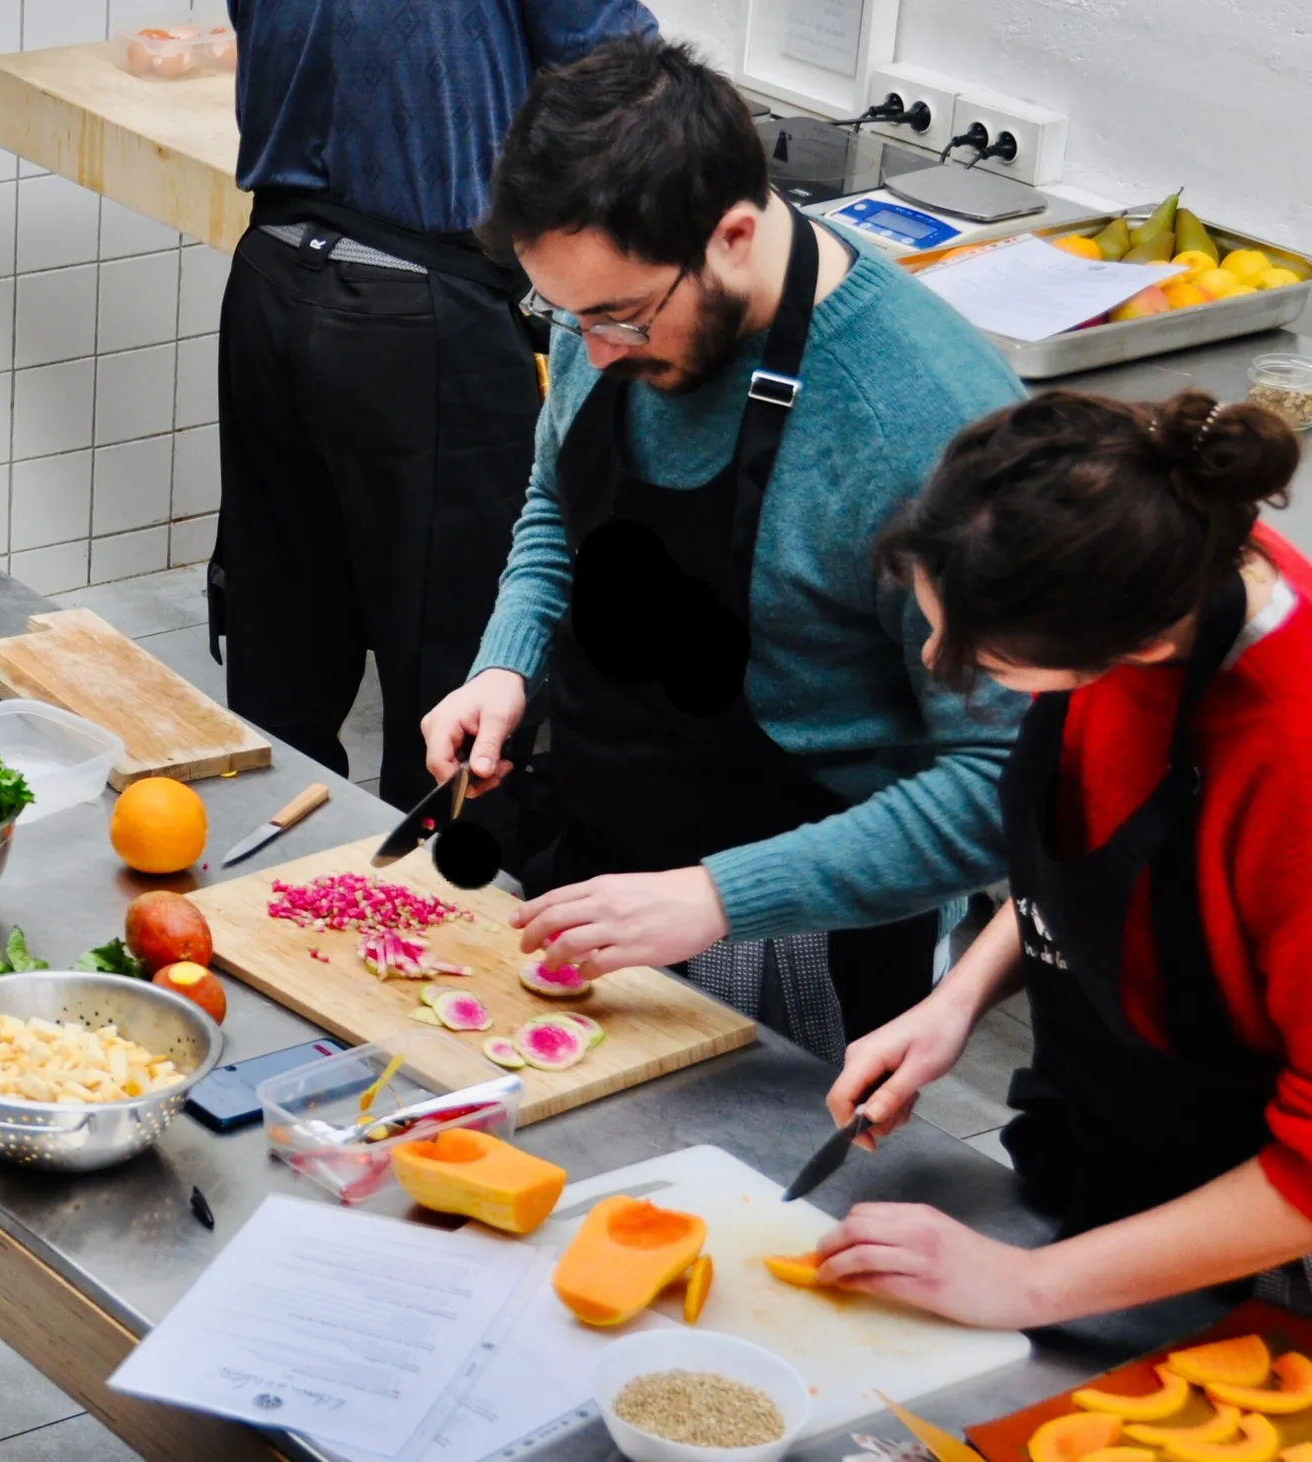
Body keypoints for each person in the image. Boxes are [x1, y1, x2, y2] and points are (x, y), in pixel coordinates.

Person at [419, 36, 1026, 1054]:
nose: (591, 348)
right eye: (562, 314)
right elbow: (553, 510)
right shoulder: (602, 295)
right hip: (597, 865)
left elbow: (1006, 782)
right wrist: (506, 660)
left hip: (803, 933)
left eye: (619, 317)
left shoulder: (924, 428)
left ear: (735, 233)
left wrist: (719, 896)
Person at [816, 390, 1312, 1357]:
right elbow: (1096, 848)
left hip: (1299, 1247)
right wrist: (957, 999)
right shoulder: (1155, 563)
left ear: (1134, 648)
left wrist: (1027, 1282)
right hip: (1123, 1146)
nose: (933, 657)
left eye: (984, 659)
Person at [213, 0, 657, 814]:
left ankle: (268, 912)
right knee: (461, 692)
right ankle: (431, 923)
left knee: (281, 660)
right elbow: (620, 79)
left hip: (270, 279)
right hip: (417, 310)